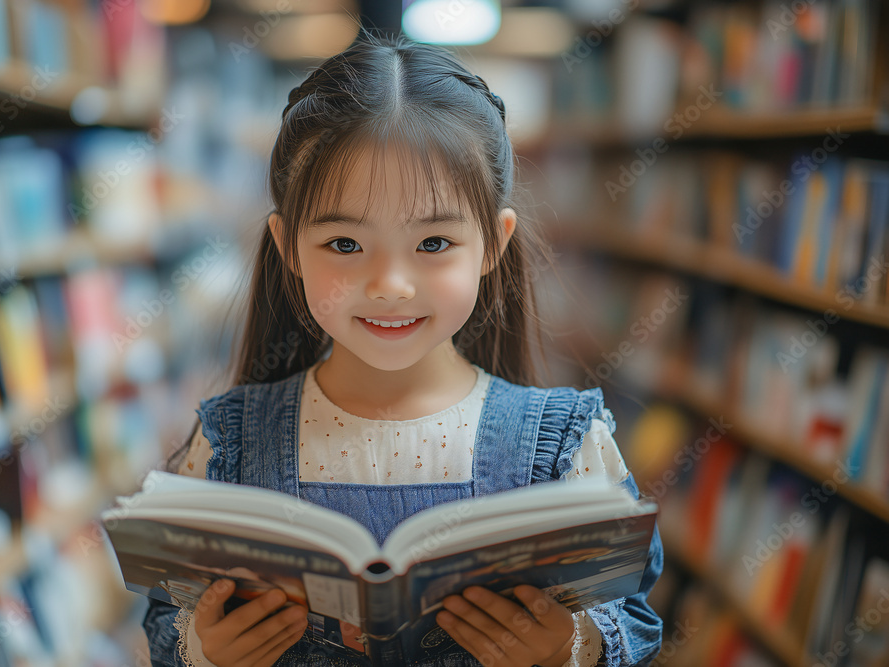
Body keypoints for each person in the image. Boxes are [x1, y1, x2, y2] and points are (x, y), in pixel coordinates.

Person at [143, 31, 663, 667]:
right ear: (289, 250)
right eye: (344, 245)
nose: (390, 285)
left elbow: (631, 615)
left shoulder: (566, 448)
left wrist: (566, 648)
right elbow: (169, 613)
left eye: (435, 243)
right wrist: (207, 648)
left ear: (493, 246)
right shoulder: (227, 443)